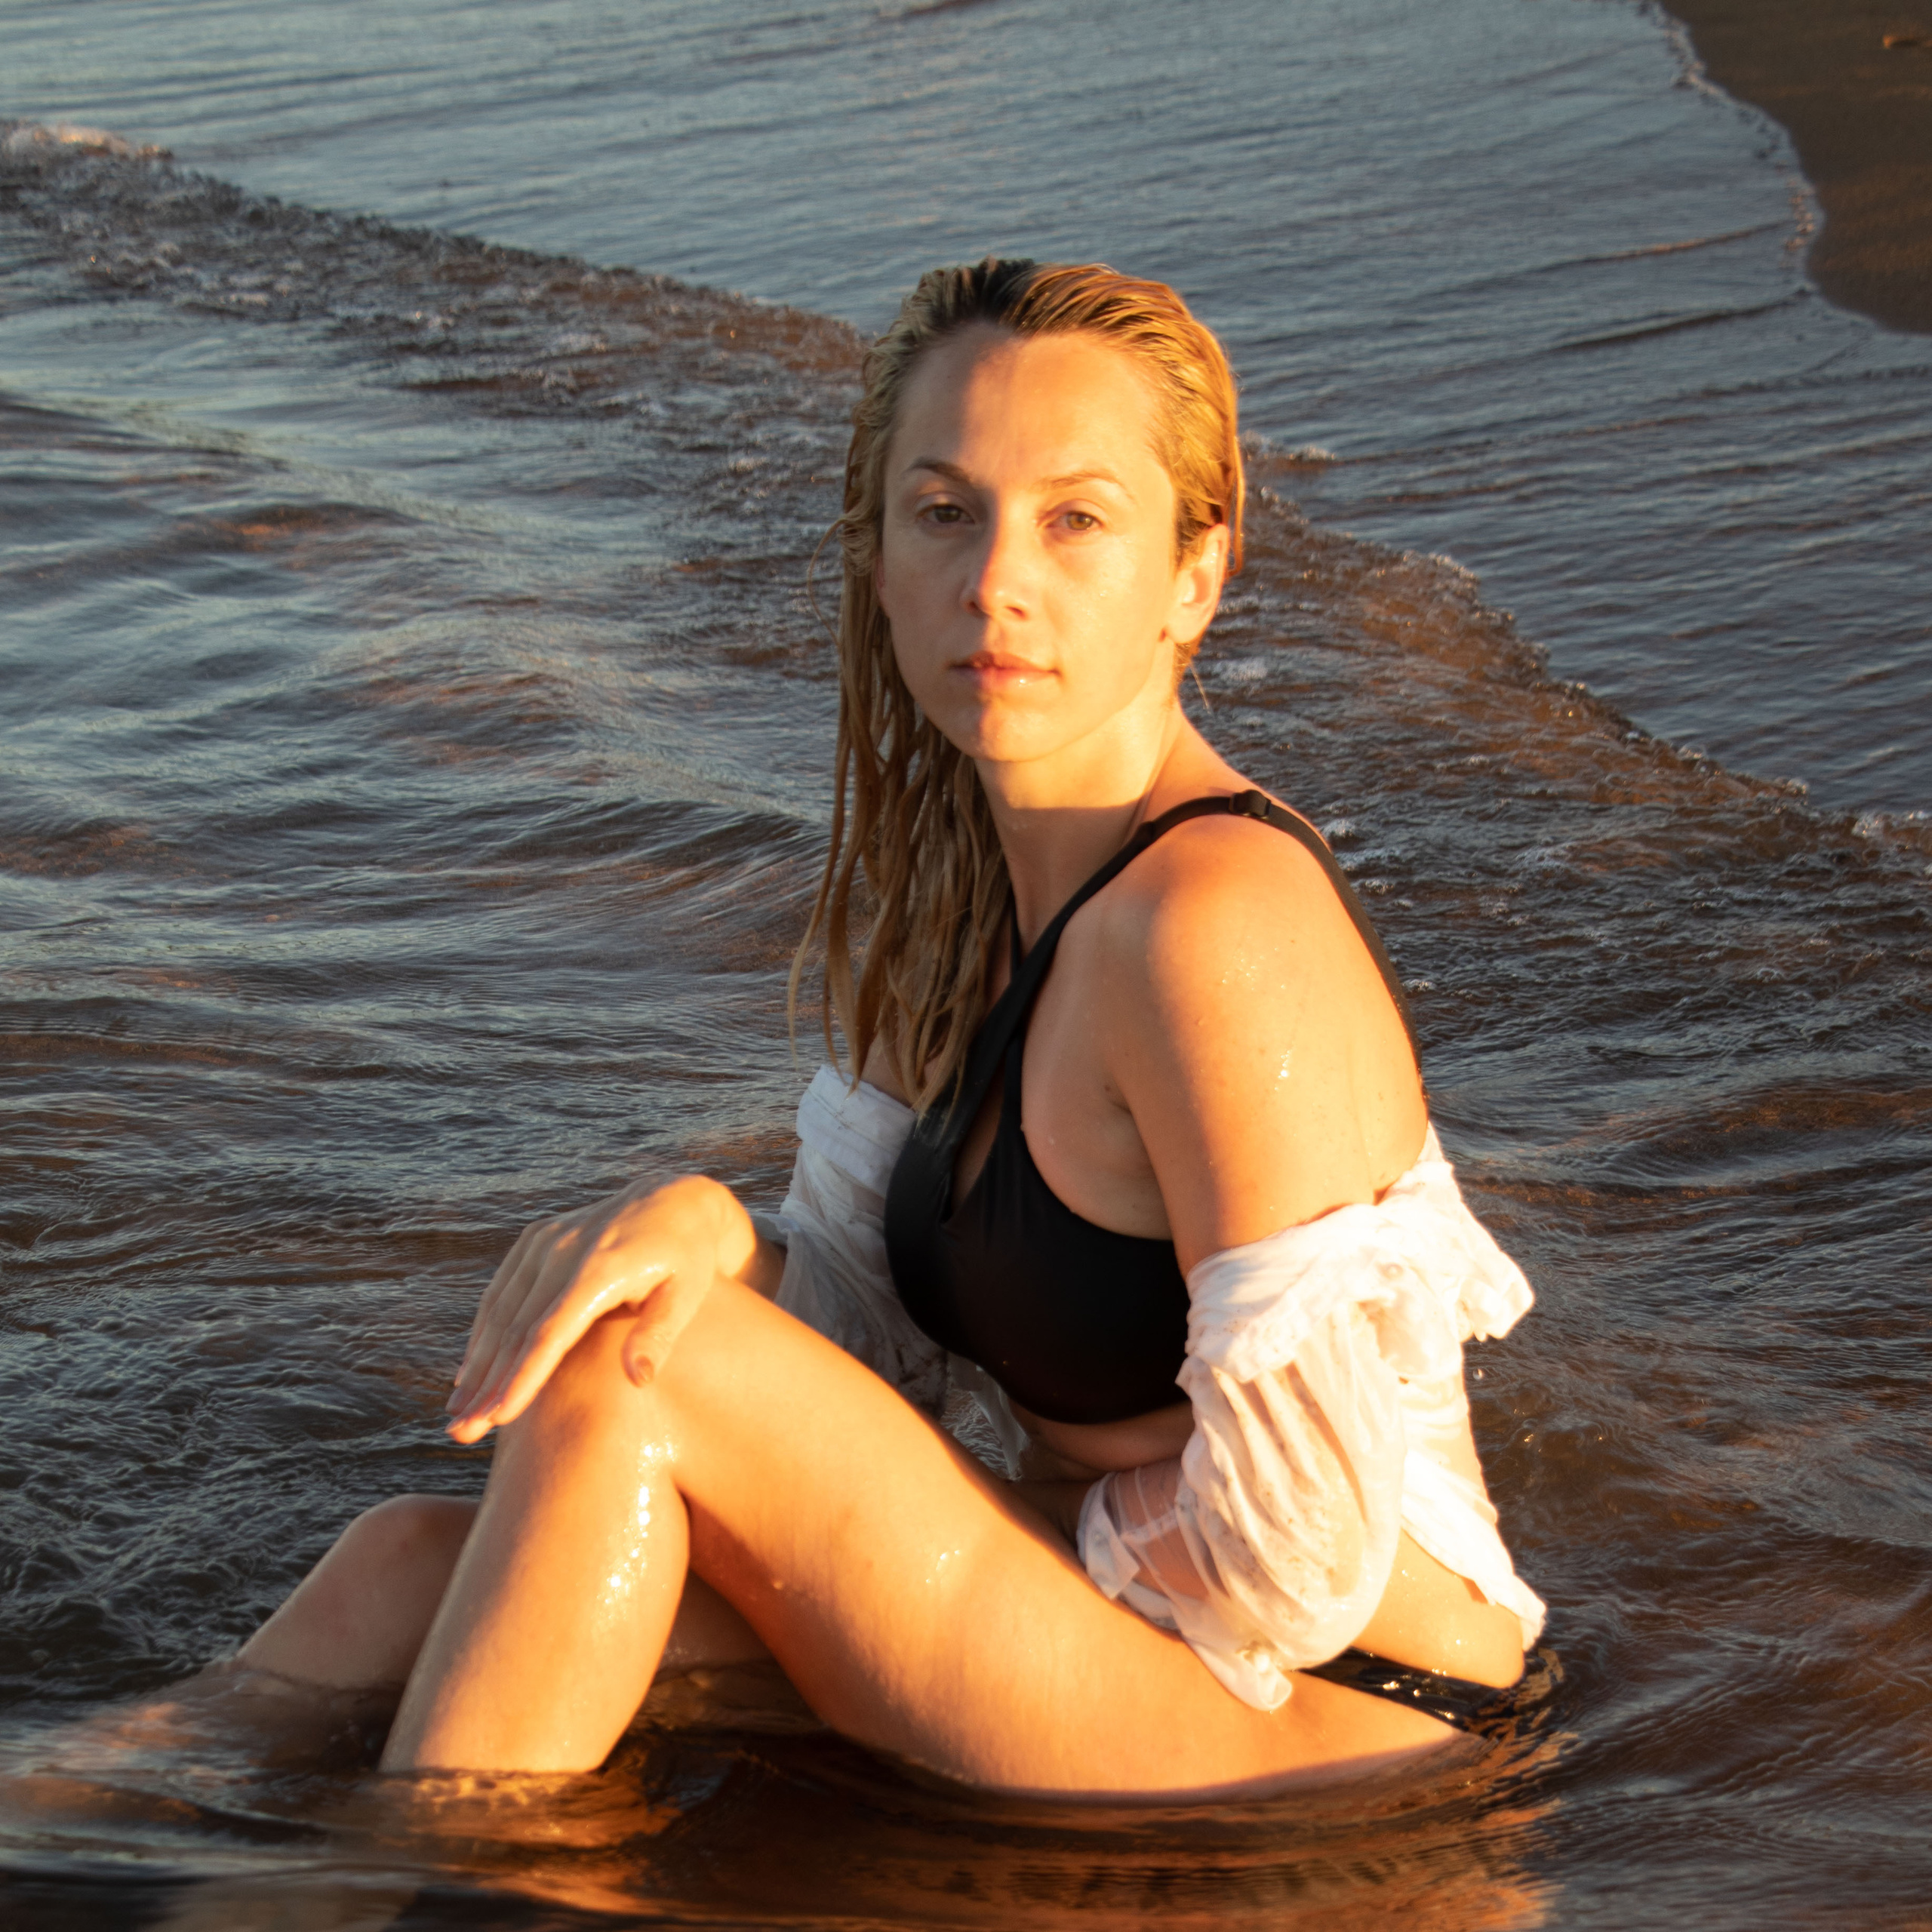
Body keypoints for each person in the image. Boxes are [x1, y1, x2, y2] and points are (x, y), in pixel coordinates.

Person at [232, 259, 1545, 1798]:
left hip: (1336, 1711)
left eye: (1073, 518)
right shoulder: (955, 906)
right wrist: (718, 1233)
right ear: (875, 555)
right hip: (1122, 1633)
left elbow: (1300, 1555)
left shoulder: (1212, 925)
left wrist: (920, 1521)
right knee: (404, 1564)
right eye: (943, 512)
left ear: (1195, 571)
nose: (995, 578)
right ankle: (81, 1829)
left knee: (644, 1370)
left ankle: (391, 1894)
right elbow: (871, 1310)